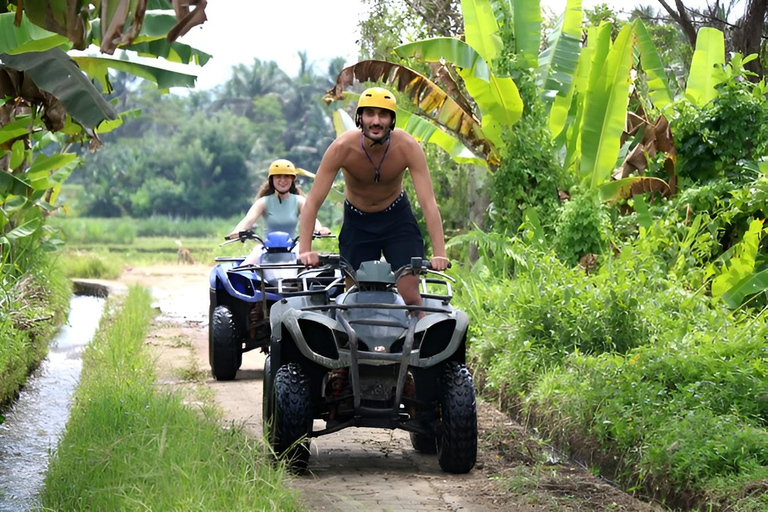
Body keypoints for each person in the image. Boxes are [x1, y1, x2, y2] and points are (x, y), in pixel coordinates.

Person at [297, 86, 449, 308]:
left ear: (392, 120)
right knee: (356, 299)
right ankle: (354, 341)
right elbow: (312, 203)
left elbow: (428, 203)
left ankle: (415, 335)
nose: (376, 121)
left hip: (397, 220)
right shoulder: (342, 147)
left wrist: (440, 253)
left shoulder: (407, 147)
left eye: (383, 114)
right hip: (358, 223)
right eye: (370, 114)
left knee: (410, 295)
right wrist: (305, 250)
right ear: (360, 118)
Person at [230, 158, 329, 265]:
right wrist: (237, 231)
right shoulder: (263, 202)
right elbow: (248, 220)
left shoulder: (299, 201)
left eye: (287, 176)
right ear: (271, 180)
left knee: (309, 267)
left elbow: (312, 219)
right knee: (245, 268)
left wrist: (320, 229)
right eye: (278, 176)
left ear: (292, 179)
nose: (283, 180)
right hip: (267, 249)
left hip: (293, 249)